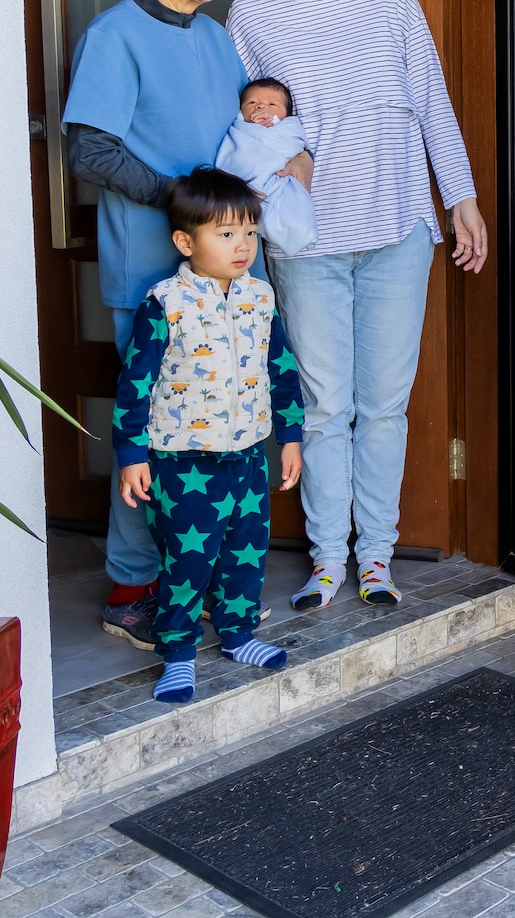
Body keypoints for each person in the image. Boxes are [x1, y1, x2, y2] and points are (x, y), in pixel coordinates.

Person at [225, 0, 487, 611]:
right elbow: (242, 129)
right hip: (305, 239)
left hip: (398, 221)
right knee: (325, 404)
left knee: (383, 404)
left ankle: (376, 558)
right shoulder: (250, 15)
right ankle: (326, 561)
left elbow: (431, 96)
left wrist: (460, 198)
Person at [64, 0, 297, 649]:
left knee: (227, 420)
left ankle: (199, 585)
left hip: (233, 267)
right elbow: (88, 149)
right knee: (157, 432)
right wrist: (185, 205)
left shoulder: (216, 36)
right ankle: (131, 589)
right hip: (156, 270)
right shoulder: (115, 35)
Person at [112, 168, 305, 704]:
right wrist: (132, 453)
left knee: (246, 552)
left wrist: (289, 437)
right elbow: (135, 384)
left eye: (249, 232)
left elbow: (282, 369)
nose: (242, 245)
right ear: (185, 241)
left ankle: (238, 634)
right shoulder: (165, 302)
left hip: (248, 455)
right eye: (225, 234)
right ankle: (177, 652)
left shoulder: (260, 298)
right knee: (188, 561)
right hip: (182, 460)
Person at [218, 77, 319, 256]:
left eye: (272, 104)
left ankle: (295, 230)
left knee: (290, 211)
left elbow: (294, 143)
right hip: (249, 190)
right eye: (252, 102)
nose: (261, 107)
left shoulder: (287, 129)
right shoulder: (240, 131)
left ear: (286, 115)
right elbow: (233, 158)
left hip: (279, 181)